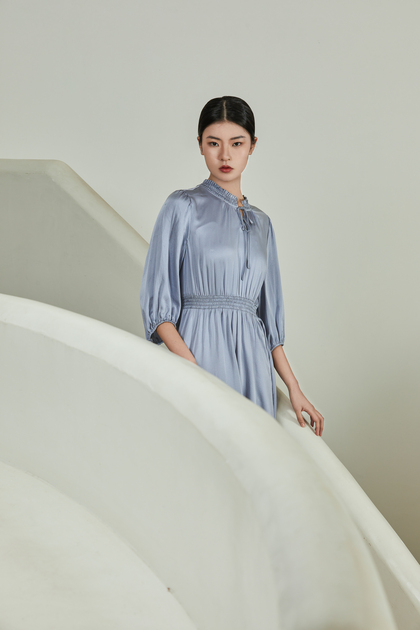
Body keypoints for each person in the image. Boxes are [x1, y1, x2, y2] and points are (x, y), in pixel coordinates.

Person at [140, 95, 324, 437]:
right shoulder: (182, 206)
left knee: (254, 455)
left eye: (236, 143)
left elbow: (269, 321)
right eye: (214, 143)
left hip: (253, 360)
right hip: (199, 350)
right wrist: (192, 369)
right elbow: (159, 306)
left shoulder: (263, 223)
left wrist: (294, 388)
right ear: (200, 145)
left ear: (252, 146)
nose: (225, 155)